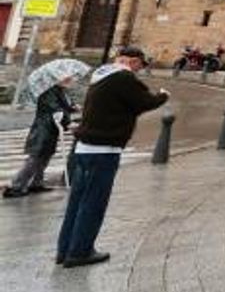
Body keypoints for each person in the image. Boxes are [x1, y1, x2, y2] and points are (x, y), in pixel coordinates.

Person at [57, 46, 168, 268]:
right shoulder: (123, 78)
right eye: (139, 65)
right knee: (93, 202)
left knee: (77, 201)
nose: (139, 70)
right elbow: (145, 102)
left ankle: (65, 249)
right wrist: (164, 95)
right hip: (102, 150)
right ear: (132, 62)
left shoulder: (101, 76)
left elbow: (121, 106)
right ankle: (80, 251)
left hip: (84, 148)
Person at [4, 78, 77, 198]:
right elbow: (56, 110)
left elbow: (63, 107)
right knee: (36, 158)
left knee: (45, 157)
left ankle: (36, 183)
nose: (69, 80)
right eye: (66, 78)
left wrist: (73, 108)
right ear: (56, 79)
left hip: (51, 129)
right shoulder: (49, 92)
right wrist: (68, 123)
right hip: (43, 130)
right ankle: (16, 186)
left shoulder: (59, 91)